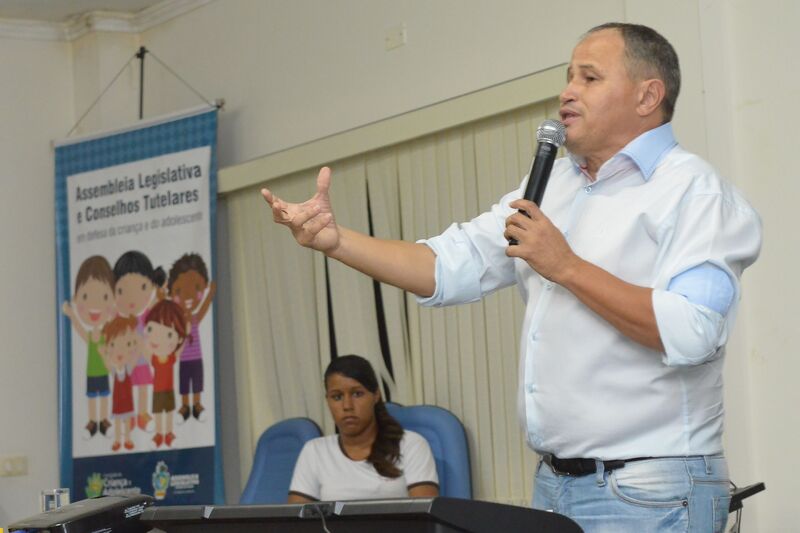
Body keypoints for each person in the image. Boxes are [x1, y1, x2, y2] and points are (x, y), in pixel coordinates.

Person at [263, 23, 761, 532]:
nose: (567, 92)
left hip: (650, 490)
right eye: (568, 77)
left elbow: (694, 330)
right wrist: (336, 241)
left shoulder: (695, 193)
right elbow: (450, 263)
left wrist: (566, 266)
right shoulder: (552, 184)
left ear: (647, 96)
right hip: (554, 484)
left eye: (589, 78)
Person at [288, 355, 439, 502]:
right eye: (337, 397)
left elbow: (425, 515)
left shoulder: (411, 445)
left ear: (376, 395)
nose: (347, 406)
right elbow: (296, 518)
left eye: (357, 394)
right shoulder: (315, 451)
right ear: (327, 400)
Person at [63, 255, 117, 438]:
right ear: (76, 298)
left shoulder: (106, 335)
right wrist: (72, 315)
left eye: (104, 297)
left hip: (103, 372)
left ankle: (104, 421)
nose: (94, 305)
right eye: (85, 296)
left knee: (104, 395)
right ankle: (93, 421)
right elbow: (80, 330)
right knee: (92, 397)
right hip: (91, 373)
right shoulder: (92, 337)